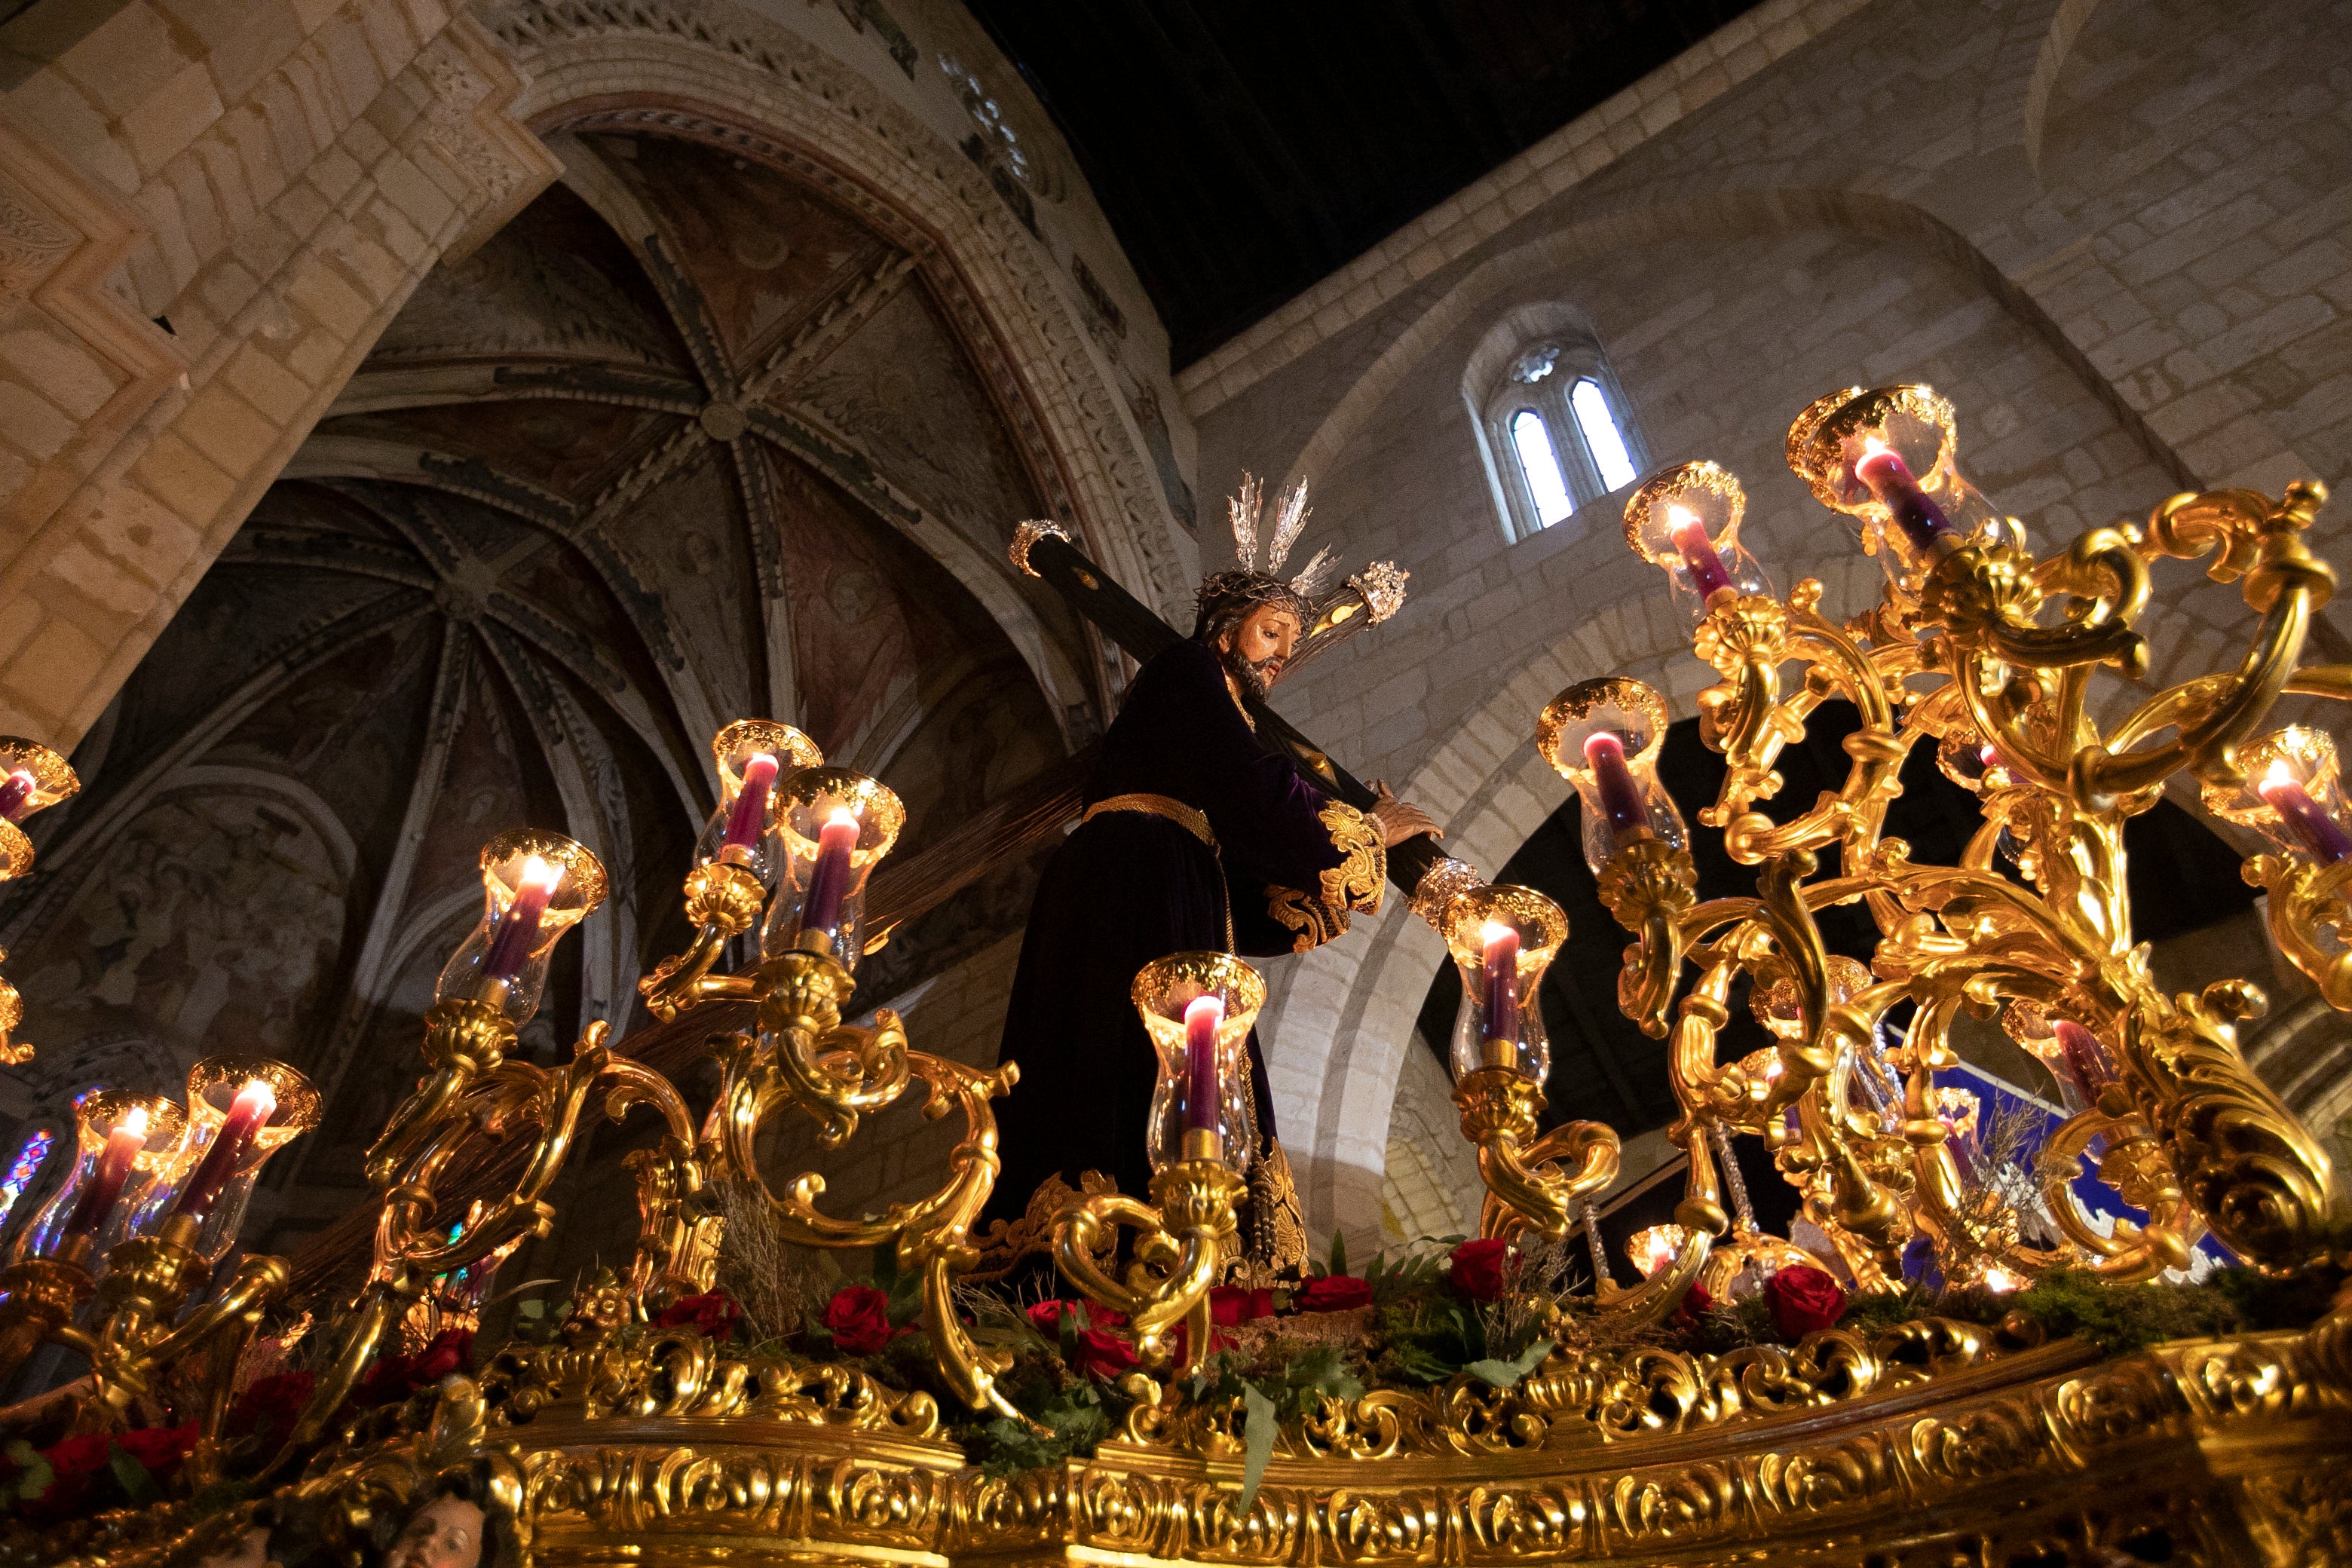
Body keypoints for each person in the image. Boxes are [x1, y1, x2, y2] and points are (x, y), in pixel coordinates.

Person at [981, 476, 1436, 1279]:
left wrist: (1297, 895)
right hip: (1131, 875)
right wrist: (1365, 832)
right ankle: (1117, 1239)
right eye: (1270, 632)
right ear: (1226, 632)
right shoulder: (1187, 673)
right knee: (1121, 1055)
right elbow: (1255, 787)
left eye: (1290, 643)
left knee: (1178, 1056)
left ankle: (1186, 1243)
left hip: (1169, 878)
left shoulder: (1213, 710)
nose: (1280, 654)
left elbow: (1238, 836)